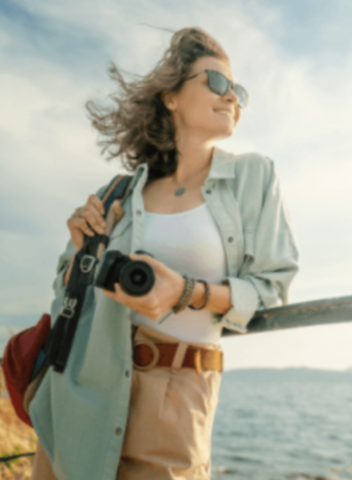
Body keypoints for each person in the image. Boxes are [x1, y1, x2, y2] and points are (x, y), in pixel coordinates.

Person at [29, 27, 299, 480]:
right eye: (215, 82)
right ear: (171, 96)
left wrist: (186, 292)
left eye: (238, 90)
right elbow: (65, 290)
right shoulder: (117, 191)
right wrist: (82, 251)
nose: (230, 96)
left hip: (179, 392)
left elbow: (270, 290)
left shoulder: (254, 177)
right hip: (82, 381)